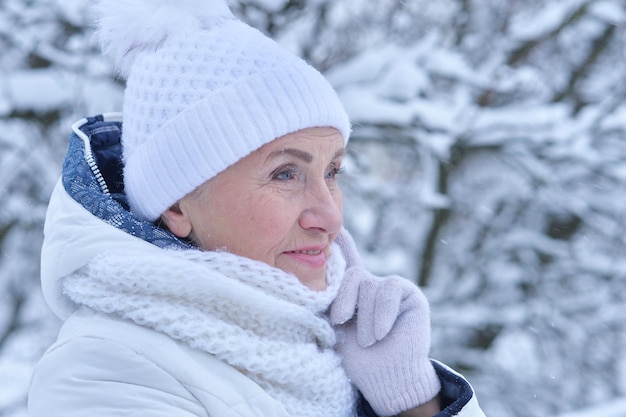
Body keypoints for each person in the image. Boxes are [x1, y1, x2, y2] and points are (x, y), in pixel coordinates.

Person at [28, 1, 485, 416]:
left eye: (332, 172)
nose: (329, 217)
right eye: (285, 174)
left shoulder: (326, 345)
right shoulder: (103, 370)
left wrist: (412, 399)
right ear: (176, 205)